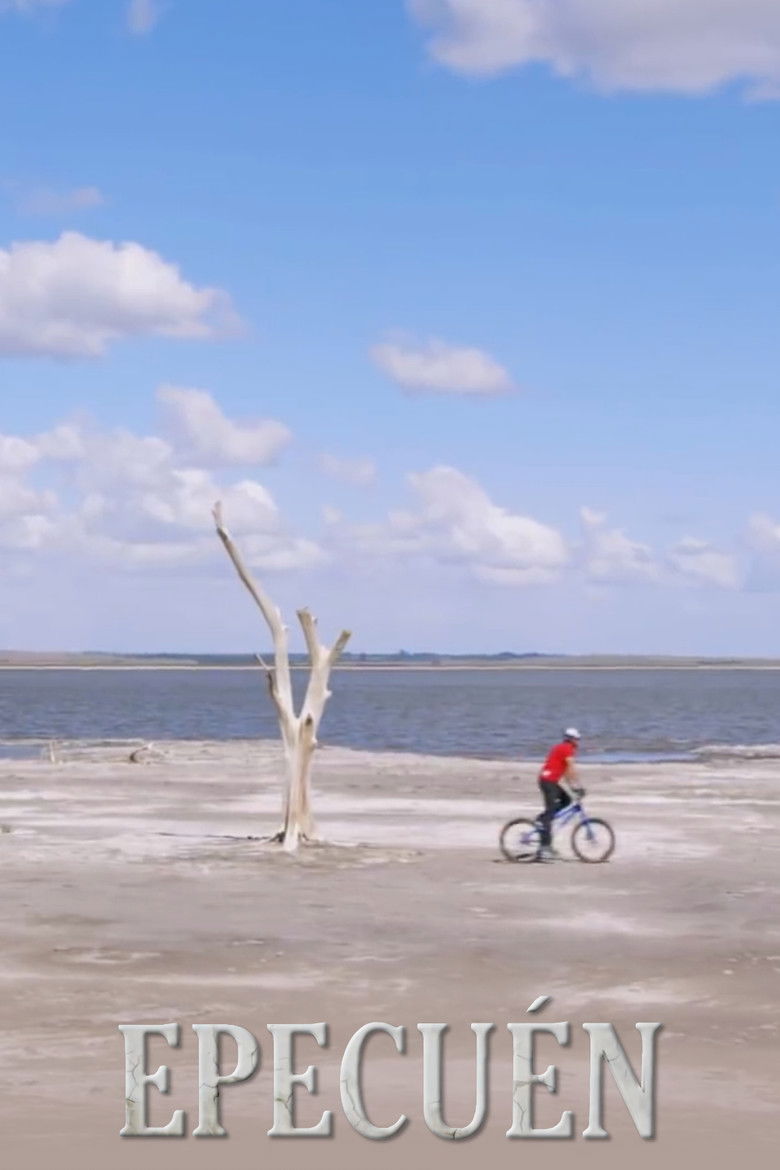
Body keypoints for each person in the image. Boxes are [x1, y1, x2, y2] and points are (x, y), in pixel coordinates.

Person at [536, 728, 582, 861]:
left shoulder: (564, 748)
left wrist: (573, 788)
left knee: (566, 800)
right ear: (571, 739)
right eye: (577, 739)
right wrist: (579, 787)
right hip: (547, 781)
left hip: (550, 781)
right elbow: (572, 769)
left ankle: (544, 819)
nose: (578, 741)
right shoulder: (566, 749)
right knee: (550, 814)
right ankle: (544, 848)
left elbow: (567, 773)